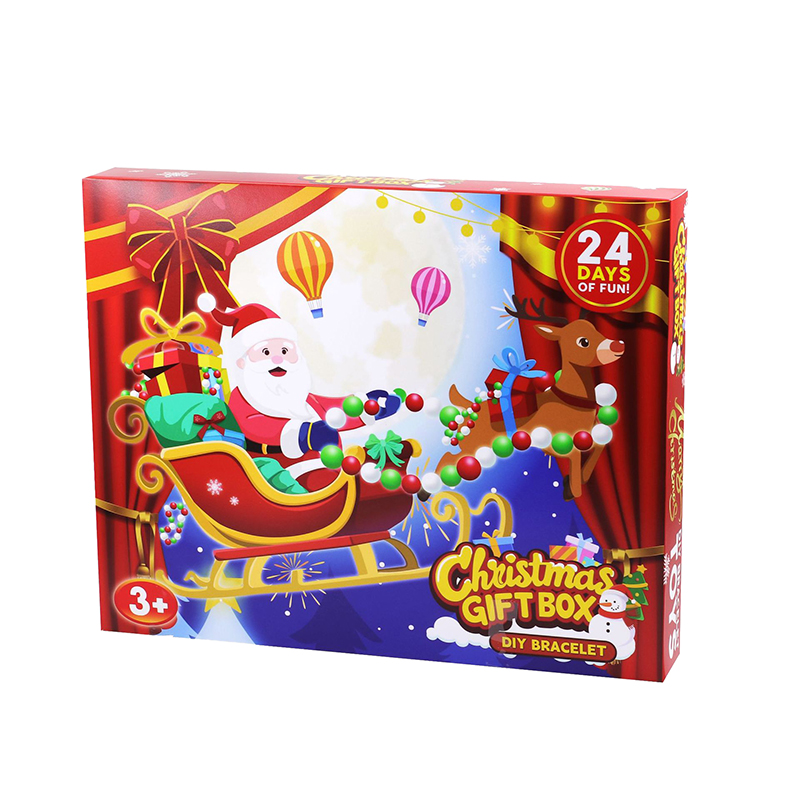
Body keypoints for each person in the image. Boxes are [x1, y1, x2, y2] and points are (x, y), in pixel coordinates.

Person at [207, 300, 399, 491]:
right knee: (330, 482)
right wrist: (304, 435)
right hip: (283, 472)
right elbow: (255, 426)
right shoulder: (242, 399)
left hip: (327, 466)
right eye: (265, 352)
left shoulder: (302, 399)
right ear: (242, 362)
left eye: (285, 351)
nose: (277, 359)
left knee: (355, 476)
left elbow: (335, 411)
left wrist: (368, 407)